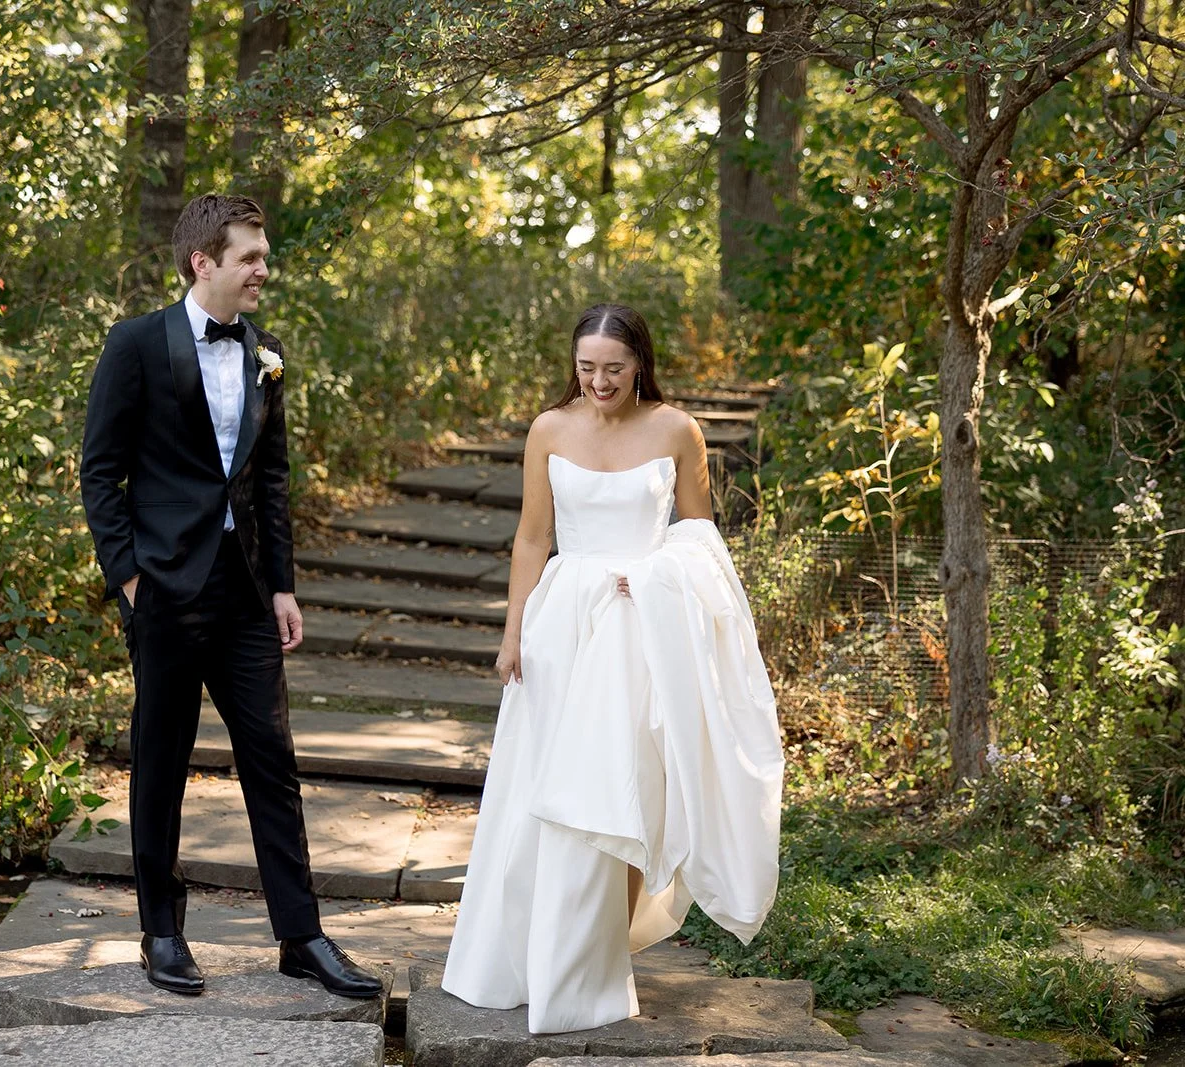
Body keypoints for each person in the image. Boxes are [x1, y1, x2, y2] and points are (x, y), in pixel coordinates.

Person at [440, 303, 784, 1034]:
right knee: (543, 785)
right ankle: (520, 958)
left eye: (613, 368)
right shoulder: (548, 430)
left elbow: (700, 538)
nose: (597, 380)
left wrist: (654, 576)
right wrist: (513, 633)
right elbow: (532, 538)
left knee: (622, 789)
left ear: (640, 365)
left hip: (638, 629)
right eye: (586, 367)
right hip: (562, 625)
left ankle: (594, 965)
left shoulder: (676, 430)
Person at [80, 193, 381, 1000]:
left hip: (246, 592)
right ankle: (162, 933)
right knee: (161, 763)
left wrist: (282, 583)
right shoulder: (136, 344)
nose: (263, 270)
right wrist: (130, 578)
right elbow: (99, 472)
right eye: (250, 256)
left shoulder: (266, 353)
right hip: (165, 593)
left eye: (264, 256)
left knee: (272, 762)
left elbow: (271, 478)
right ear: (201, 261)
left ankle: (301, 934)